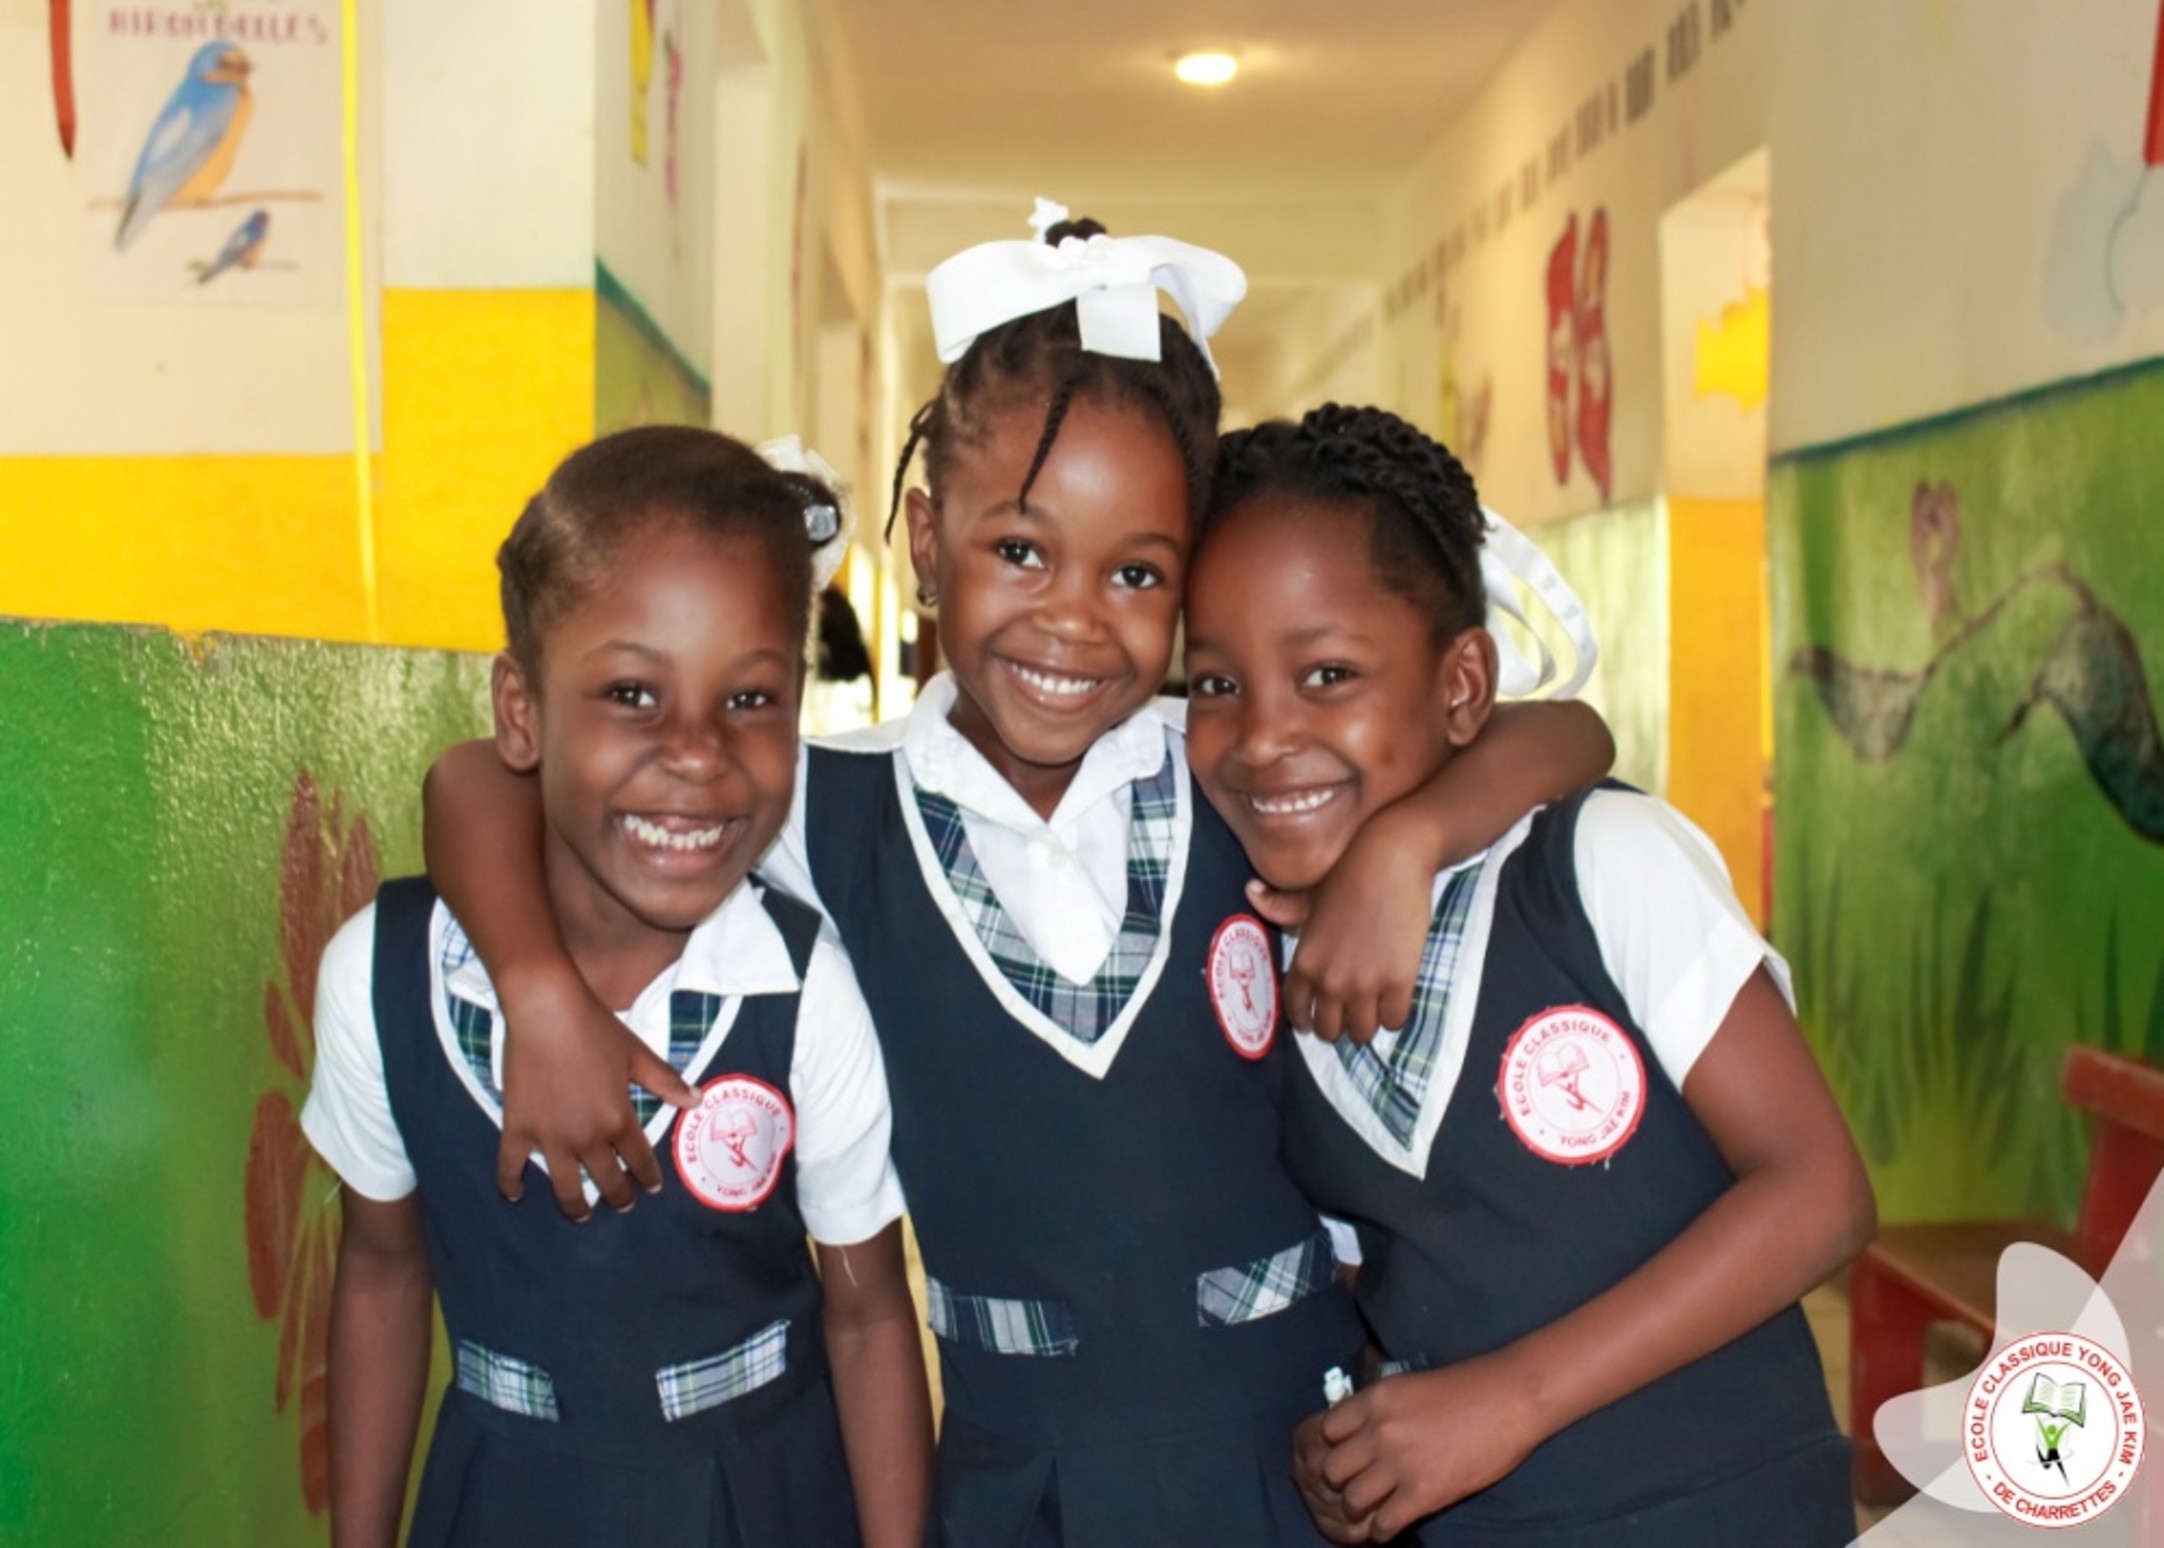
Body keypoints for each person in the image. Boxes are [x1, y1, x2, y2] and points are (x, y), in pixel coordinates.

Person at [421, 210, 1613, 1545]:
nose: (1072, 617)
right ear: (926, 542)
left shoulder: (1227, 756)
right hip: (1012, 1483)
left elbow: (1566, 732)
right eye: (1020, 550)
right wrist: (536, 990)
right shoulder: (823, 802)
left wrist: (1406, 843)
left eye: (1138, 572)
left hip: (1294, 1457)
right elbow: (481, 780)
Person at [1181, 404, 1874, 1545]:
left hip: (1731, 1508)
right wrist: (1365, 1426)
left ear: (1462, 687)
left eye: (1328, 673)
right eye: (1214, 684)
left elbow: (1819, 1192)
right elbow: (1399, 1265)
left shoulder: (1598, 868)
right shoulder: (1264, 958)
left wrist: (1513, 1399)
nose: (1260, 737)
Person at [303, 427, 932, 1548]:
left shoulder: (803, 995)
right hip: (502, 1495)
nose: (696, 753)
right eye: (634, 693)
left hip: (763, 1499)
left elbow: (870, 1311)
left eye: (751, 699)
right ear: (521, 710)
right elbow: (381, 1271)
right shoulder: (382, 981)